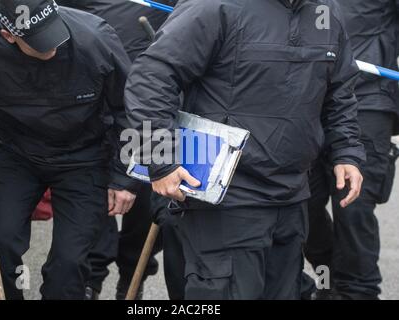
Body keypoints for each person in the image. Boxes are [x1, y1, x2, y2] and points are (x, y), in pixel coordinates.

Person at [125, 0, 365, 300]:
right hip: (227, 200)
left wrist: (346, 152)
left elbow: (339, 91)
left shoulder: (325, 12)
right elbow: (151, 76)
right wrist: (158, 159)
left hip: (291, 198)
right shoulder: (215, 7)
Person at [0, 0, 139, 299]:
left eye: (53, 33)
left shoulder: (95, 38)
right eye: (39, 42)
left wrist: (124, 179)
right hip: (17, 152)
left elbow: (130, 111)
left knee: (69, 263)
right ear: (8, 35)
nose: (51, 46)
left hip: (85, 157)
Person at [57, 0, 177, 300]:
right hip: (97, 105)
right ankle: (90, 283)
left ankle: (131, 283)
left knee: (146, 208)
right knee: (95, 208)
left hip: (152, 107)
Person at [305, 0, 399, 300]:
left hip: (368, 100)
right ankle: (328, 275)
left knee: (353, 209)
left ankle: (357, 292)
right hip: (309, 98)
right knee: (299, 202)